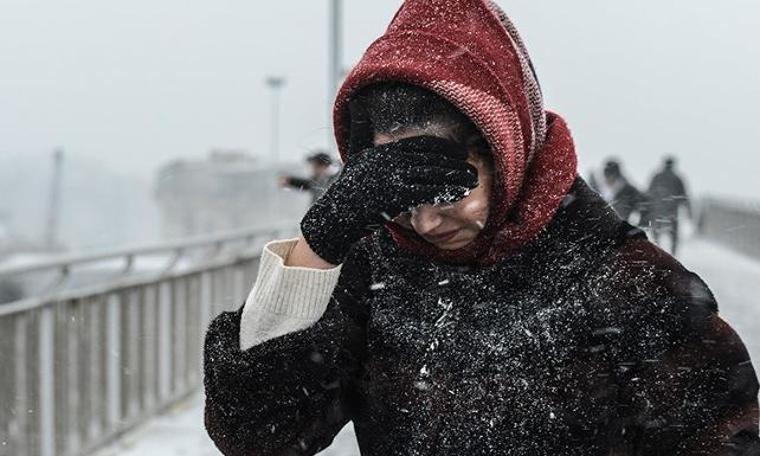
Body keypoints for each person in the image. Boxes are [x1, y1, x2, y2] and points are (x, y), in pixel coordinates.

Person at [203, 1, 759, 454]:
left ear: (506, 151)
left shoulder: (625, 279)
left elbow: (723, 435)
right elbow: (257, 434)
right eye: (397, 196)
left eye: (448, 188)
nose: (424, 220)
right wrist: (318, 247)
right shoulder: (374, 274)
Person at [648, 156, 692, 255]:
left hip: (657, 212)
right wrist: (689, 212)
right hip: (672, 212)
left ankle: (656, 253)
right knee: (673, 236)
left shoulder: (657, 177)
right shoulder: (677, 179)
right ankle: (673, 256)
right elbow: (684, 196)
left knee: (656, 235)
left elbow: (649, 193)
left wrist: (648, 209)